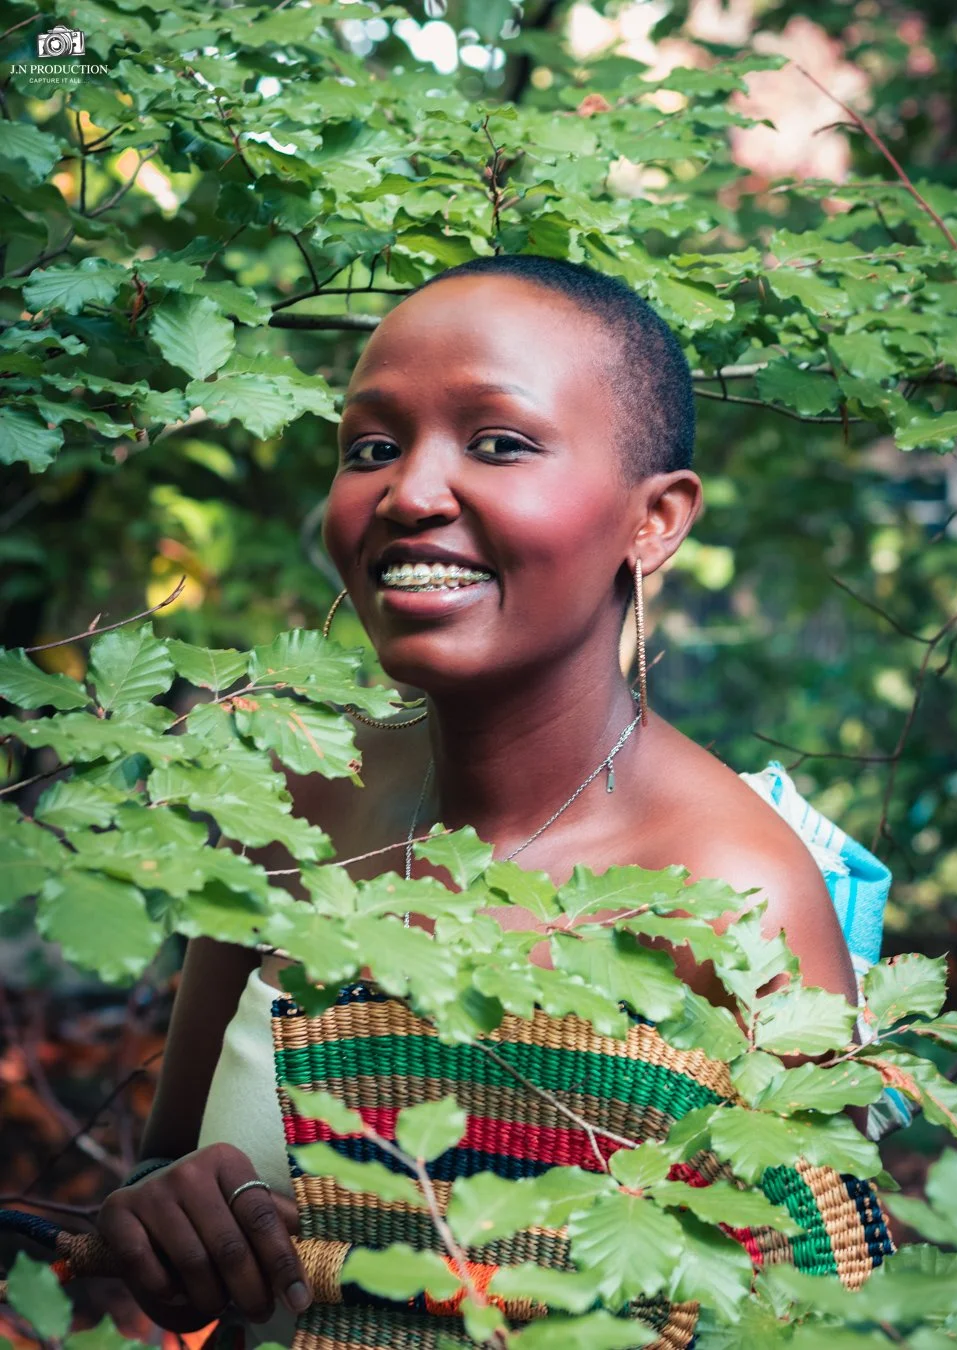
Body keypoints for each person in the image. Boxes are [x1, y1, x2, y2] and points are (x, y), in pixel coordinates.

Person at [96, 256, 884, 1346]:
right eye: (370, 447)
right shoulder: (287, 811)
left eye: (499, 443)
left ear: (655, 519)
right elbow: (166, 1178)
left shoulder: (735, 901)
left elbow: (820, 1308)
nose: (409, 494)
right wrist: (172, 1221)